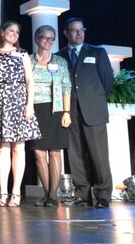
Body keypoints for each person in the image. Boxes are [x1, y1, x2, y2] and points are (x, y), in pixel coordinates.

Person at [57, 17, 115, 208]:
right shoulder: (60, 55)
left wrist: (93, 99)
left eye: (82, 29)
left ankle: (103, 194)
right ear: (66, 33)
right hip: (70, 111)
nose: (79, 33)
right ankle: (82, 193)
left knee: (99, 155)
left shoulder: (97, 52)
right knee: (76, 154)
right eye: (74, 30)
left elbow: (107, 82)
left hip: (93, 111)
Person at [0, 21, 41, 207]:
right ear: (2, 33)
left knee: (19, 148)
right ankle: (3, 192)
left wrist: (29, 104)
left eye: (17, 32)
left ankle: (16, 192)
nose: (14, 34)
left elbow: (30, 80)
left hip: (19, 102)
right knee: (2, 148)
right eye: (11, 31)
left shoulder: (22, 54)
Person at [29, 25, 71, 207]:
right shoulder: (28, 60)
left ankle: (53, 195)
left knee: (54, 152)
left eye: (51, 38)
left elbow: (66, 87)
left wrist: (67, 112)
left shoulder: (60, 62)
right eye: (44, 38)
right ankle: (46, 194)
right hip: (32, 110)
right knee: (38, 153)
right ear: (37, 39)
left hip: (55, 110)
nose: (48, 41)